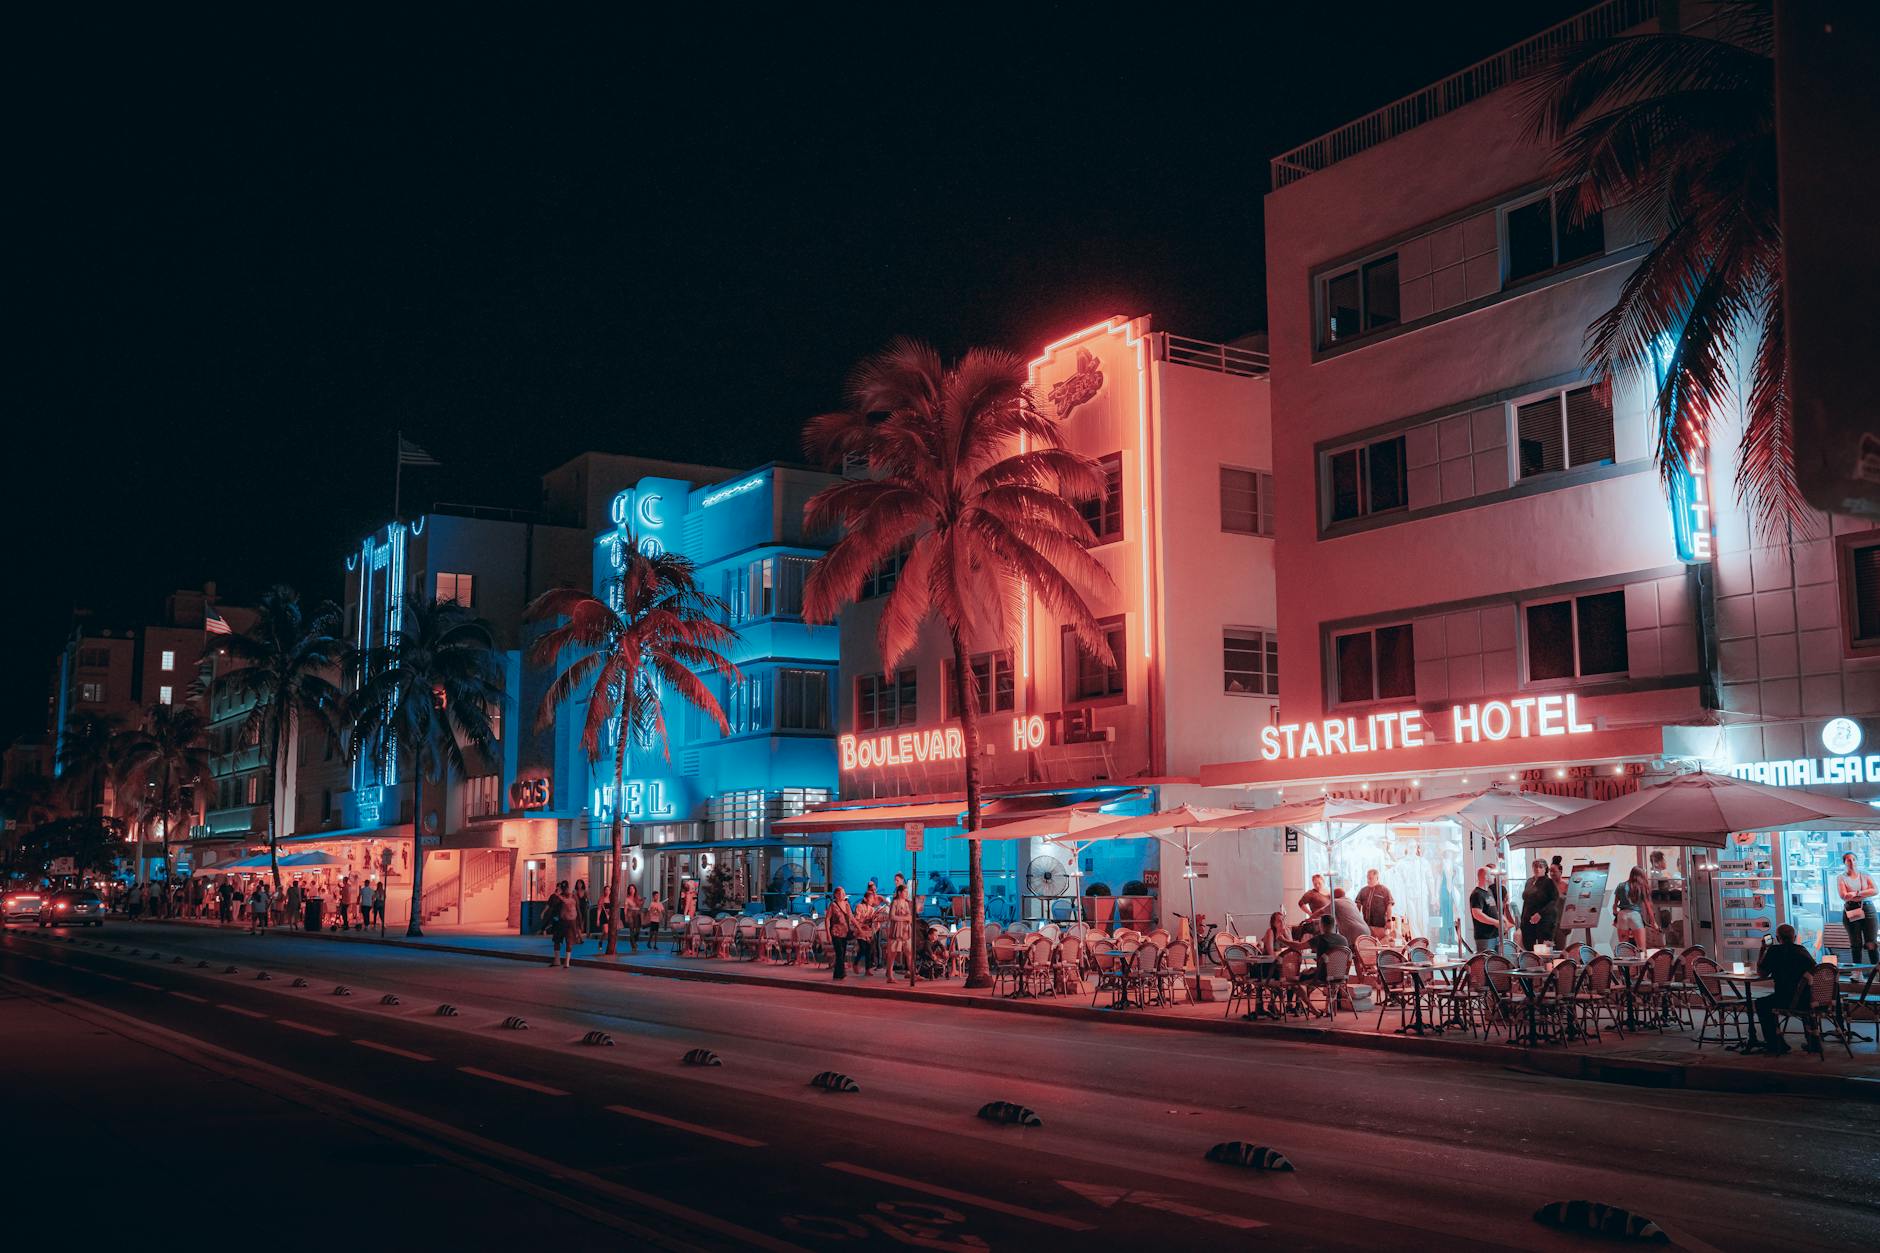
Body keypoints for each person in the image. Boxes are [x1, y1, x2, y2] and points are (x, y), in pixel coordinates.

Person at [1749, 924, 1821, 1055]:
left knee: (1761, 1003)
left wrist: (1762, 950)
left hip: (1785, 999)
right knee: (1770, 1001)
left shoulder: (1775, 951)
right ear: (1794, 937)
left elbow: (1761, 973)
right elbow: (1815, 970)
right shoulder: (1803, 950)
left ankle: (1776, 1044)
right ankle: (1814, 1042)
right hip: (1807, 999)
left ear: (1777, 938)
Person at [1837, 851, 1877, 965]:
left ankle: (1877, 973)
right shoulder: (1841, 878)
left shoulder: (1865, 874)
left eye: (1853, 859)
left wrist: (1856, 893)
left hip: (1868, 908)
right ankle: (1857, 973)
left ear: (1857, 861)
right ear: (1844, 862)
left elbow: (1874, 890)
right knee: (1856, 944)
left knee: (1871, 943)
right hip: (1851, 910)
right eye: (1848, 860)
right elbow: (1844, 895)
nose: (1852, 862)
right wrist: (1864, 893)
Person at [1468, 867, 1512, 953]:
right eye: (1491, 875)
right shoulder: (1477, 894)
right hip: (1485, 936)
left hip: (1495, 934)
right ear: (1486, 877)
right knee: (1487, 960)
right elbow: (1477, 914)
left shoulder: (1489, 891)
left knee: (1496, 962)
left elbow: (1493, 910)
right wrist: (1495, 922)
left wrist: (1503, 919)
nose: (1493, 877)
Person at [1519, 859, 1557, 950]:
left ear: (1545, 869)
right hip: (1528, 920)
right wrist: (1522, 920)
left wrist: (1540, 914)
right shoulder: (1529, 881)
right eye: (1535, 866)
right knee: (1529, 948)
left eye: (1540, 867)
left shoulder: (1549, 882)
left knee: (1544, 950)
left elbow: (1553, 901)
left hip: (1544, 921)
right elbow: (1526, 902)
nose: (1537, 869)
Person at [539, 880, 576, 969]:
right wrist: (543, 912)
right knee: (557, 940)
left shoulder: (570, 896)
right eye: (562, 887)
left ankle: (566, 962)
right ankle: (557, 960)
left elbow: (573, 905)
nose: (563, 889)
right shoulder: (554, 897)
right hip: (559, 921)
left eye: (564, 888)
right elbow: (550, 905)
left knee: (568, 941)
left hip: (568, 921)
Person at [1613, 867, 1651, 948]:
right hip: (1635, 915)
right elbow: (1648, 907)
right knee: (1641, 948)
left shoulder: (1621, 886)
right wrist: (1654, 922)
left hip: (1622, 916)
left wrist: (1616, 915)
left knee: (1624, 948)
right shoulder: (1641, 887)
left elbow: (1615, 906)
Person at [1306, 914, 1351, 984]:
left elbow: (1298, 946)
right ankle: (1334, 993)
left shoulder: (1320, 939)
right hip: (1341, 976)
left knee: (1300, 977)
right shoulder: (1343, 939)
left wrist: (1283, 939)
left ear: (1321, 925)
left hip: (1323, 977)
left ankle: (1303, 994)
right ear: (1334, 925)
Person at [886, 885, 915, 985]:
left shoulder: (906, 903)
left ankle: (912, 973)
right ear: (899, 892)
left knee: (909, 952)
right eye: (905, 892)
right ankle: (890, 975)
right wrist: (904, 918)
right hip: (897, 931)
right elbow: (892, 916)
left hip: (906, 931)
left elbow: (909, 916)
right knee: (893, 953)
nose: (906, 894)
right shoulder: (895, 902)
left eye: (907, 892)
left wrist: (908, 918)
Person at [826, 886, 855, 980]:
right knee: (839, 953)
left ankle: (837, 974)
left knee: (842, 954)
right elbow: (827, 919)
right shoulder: (833, 905)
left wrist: (859, 928)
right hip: (836, 932)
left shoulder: (847, 904)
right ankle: (842, 973)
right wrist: (828, 934)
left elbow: (852, 918)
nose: (843, 895)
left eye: (844, 893)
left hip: (845, 933)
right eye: (841, 893)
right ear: (836, 895)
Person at [1355, 869, 1394, 940]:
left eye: (1370, 878)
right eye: (1367, 878)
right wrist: (1357, 921)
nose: (1368, 880)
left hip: (1380, 925)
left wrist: (1389, 920)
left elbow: (1389, 905)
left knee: (1381, 945)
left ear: (1377, 878)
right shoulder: (1363, 890)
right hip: (1366, 925)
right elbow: (1358, 906)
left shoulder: (1384, 890)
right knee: (1369, 945)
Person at [855, 886, 882, 975]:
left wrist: (877, 918)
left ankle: (867, 969)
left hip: (869, 932)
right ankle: (855, 963)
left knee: (869, 950)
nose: (872, 900)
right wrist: (864, 922)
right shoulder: (859, 906)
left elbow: (874, 921)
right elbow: (857, 919)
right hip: (860, 931)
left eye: (872, 899)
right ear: (865, 899)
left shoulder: (872, 909)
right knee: (862, 948)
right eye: (870, 899)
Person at [621, 884, 644, 953]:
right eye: (630, 889)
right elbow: (625, 908)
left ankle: (634, 940)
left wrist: (642, 902)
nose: (632, 890)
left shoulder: (638, 897)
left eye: (633, 889)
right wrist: (625, 916)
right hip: (630, 913)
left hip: (637, 913)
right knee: (631, 930)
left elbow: (640, 906)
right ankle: (633, 945)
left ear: (635, 890)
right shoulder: (627, 898)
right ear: (629, 890)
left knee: (637, 930)